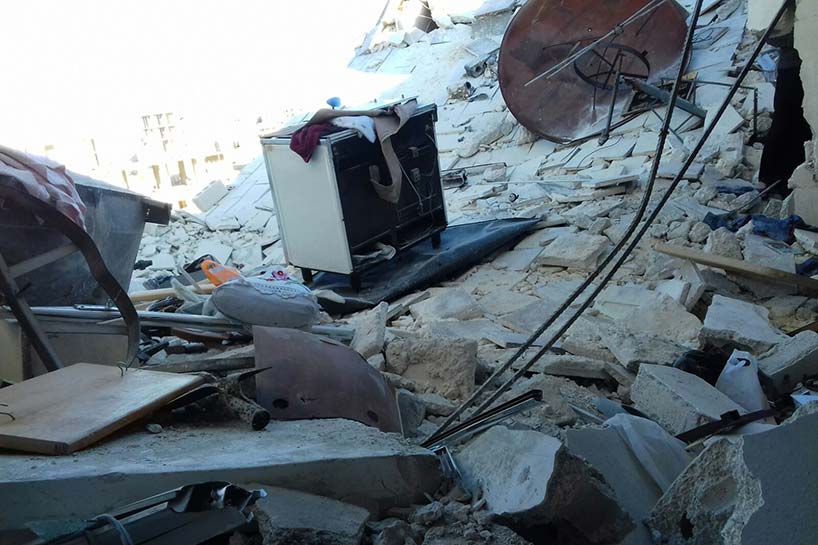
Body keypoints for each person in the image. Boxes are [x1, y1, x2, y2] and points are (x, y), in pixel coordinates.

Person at [759, 0, 813, 197]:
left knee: (798, 125)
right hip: (794, 66)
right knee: (788, 121)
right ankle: (774, 181)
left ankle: (783, 182)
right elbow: (771, 33)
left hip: (798, 66)